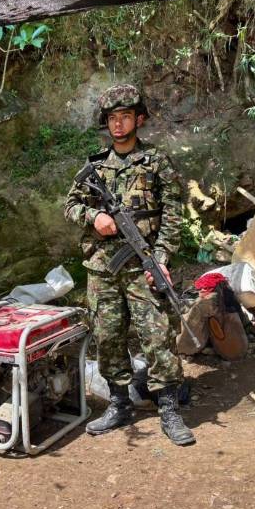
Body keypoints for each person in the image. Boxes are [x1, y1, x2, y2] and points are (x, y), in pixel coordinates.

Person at [64, 84, 194, 445]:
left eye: (124, 117)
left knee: (156, 335)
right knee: (108, 337)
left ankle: (169, 409)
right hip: (102, 268)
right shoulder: (94, 166)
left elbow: (173, 215)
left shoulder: (156, 162)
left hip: (143, 265)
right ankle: (119, 403)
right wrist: (94, 218)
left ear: (138, 120)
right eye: (112, 119)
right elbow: (70, 205)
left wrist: (162, 259)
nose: (118, 124)